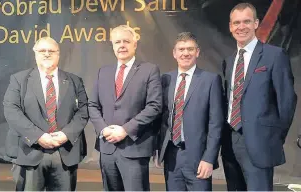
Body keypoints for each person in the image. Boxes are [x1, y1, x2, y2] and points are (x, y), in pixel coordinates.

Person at [221, 3, 297, 191]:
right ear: (230, 27)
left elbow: (287, 101)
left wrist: (273, 137)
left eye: (246, 21)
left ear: (256, 23)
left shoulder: (274, 55)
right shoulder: (229, 61)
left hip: (260, 143)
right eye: (236, 23)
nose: (241, 27)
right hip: (230, 143)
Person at [3, 37, 89, 191]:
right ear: (35, 54)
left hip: (65, 153)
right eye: (42, 50)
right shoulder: (19, 80)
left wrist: (66, 134)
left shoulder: (75, 81)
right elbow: (11, 110)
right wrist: (39, 137)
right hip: (30, 152)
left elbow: (83, 111)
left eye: (52, 51)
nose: (47, 54)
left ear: (58, 54)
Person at [88, 25, 162, 191]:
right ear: (113, 45)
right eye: (117, 42)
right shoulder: (103, 72)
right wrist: (104, 129)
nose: (122, 45)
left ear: (135, 45)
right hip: (107, 149)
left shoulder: (149, 70)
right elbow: (92, 105)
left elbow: (154, 106)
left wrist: (125, 130)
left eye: (126, 41)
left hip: (134, 148)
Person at [156, 32, 224, 191]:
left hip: (198, 158)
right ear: (174, 53)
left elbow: (216, 123)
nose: (185, 53)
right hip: (172, 156)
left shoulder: (210, 80)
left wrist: (209, 158)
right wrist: (159, 150)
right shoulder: (166, 79)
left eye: (190, 49)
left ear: (197, 52)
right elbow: (161, 119)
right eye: (181, 49)